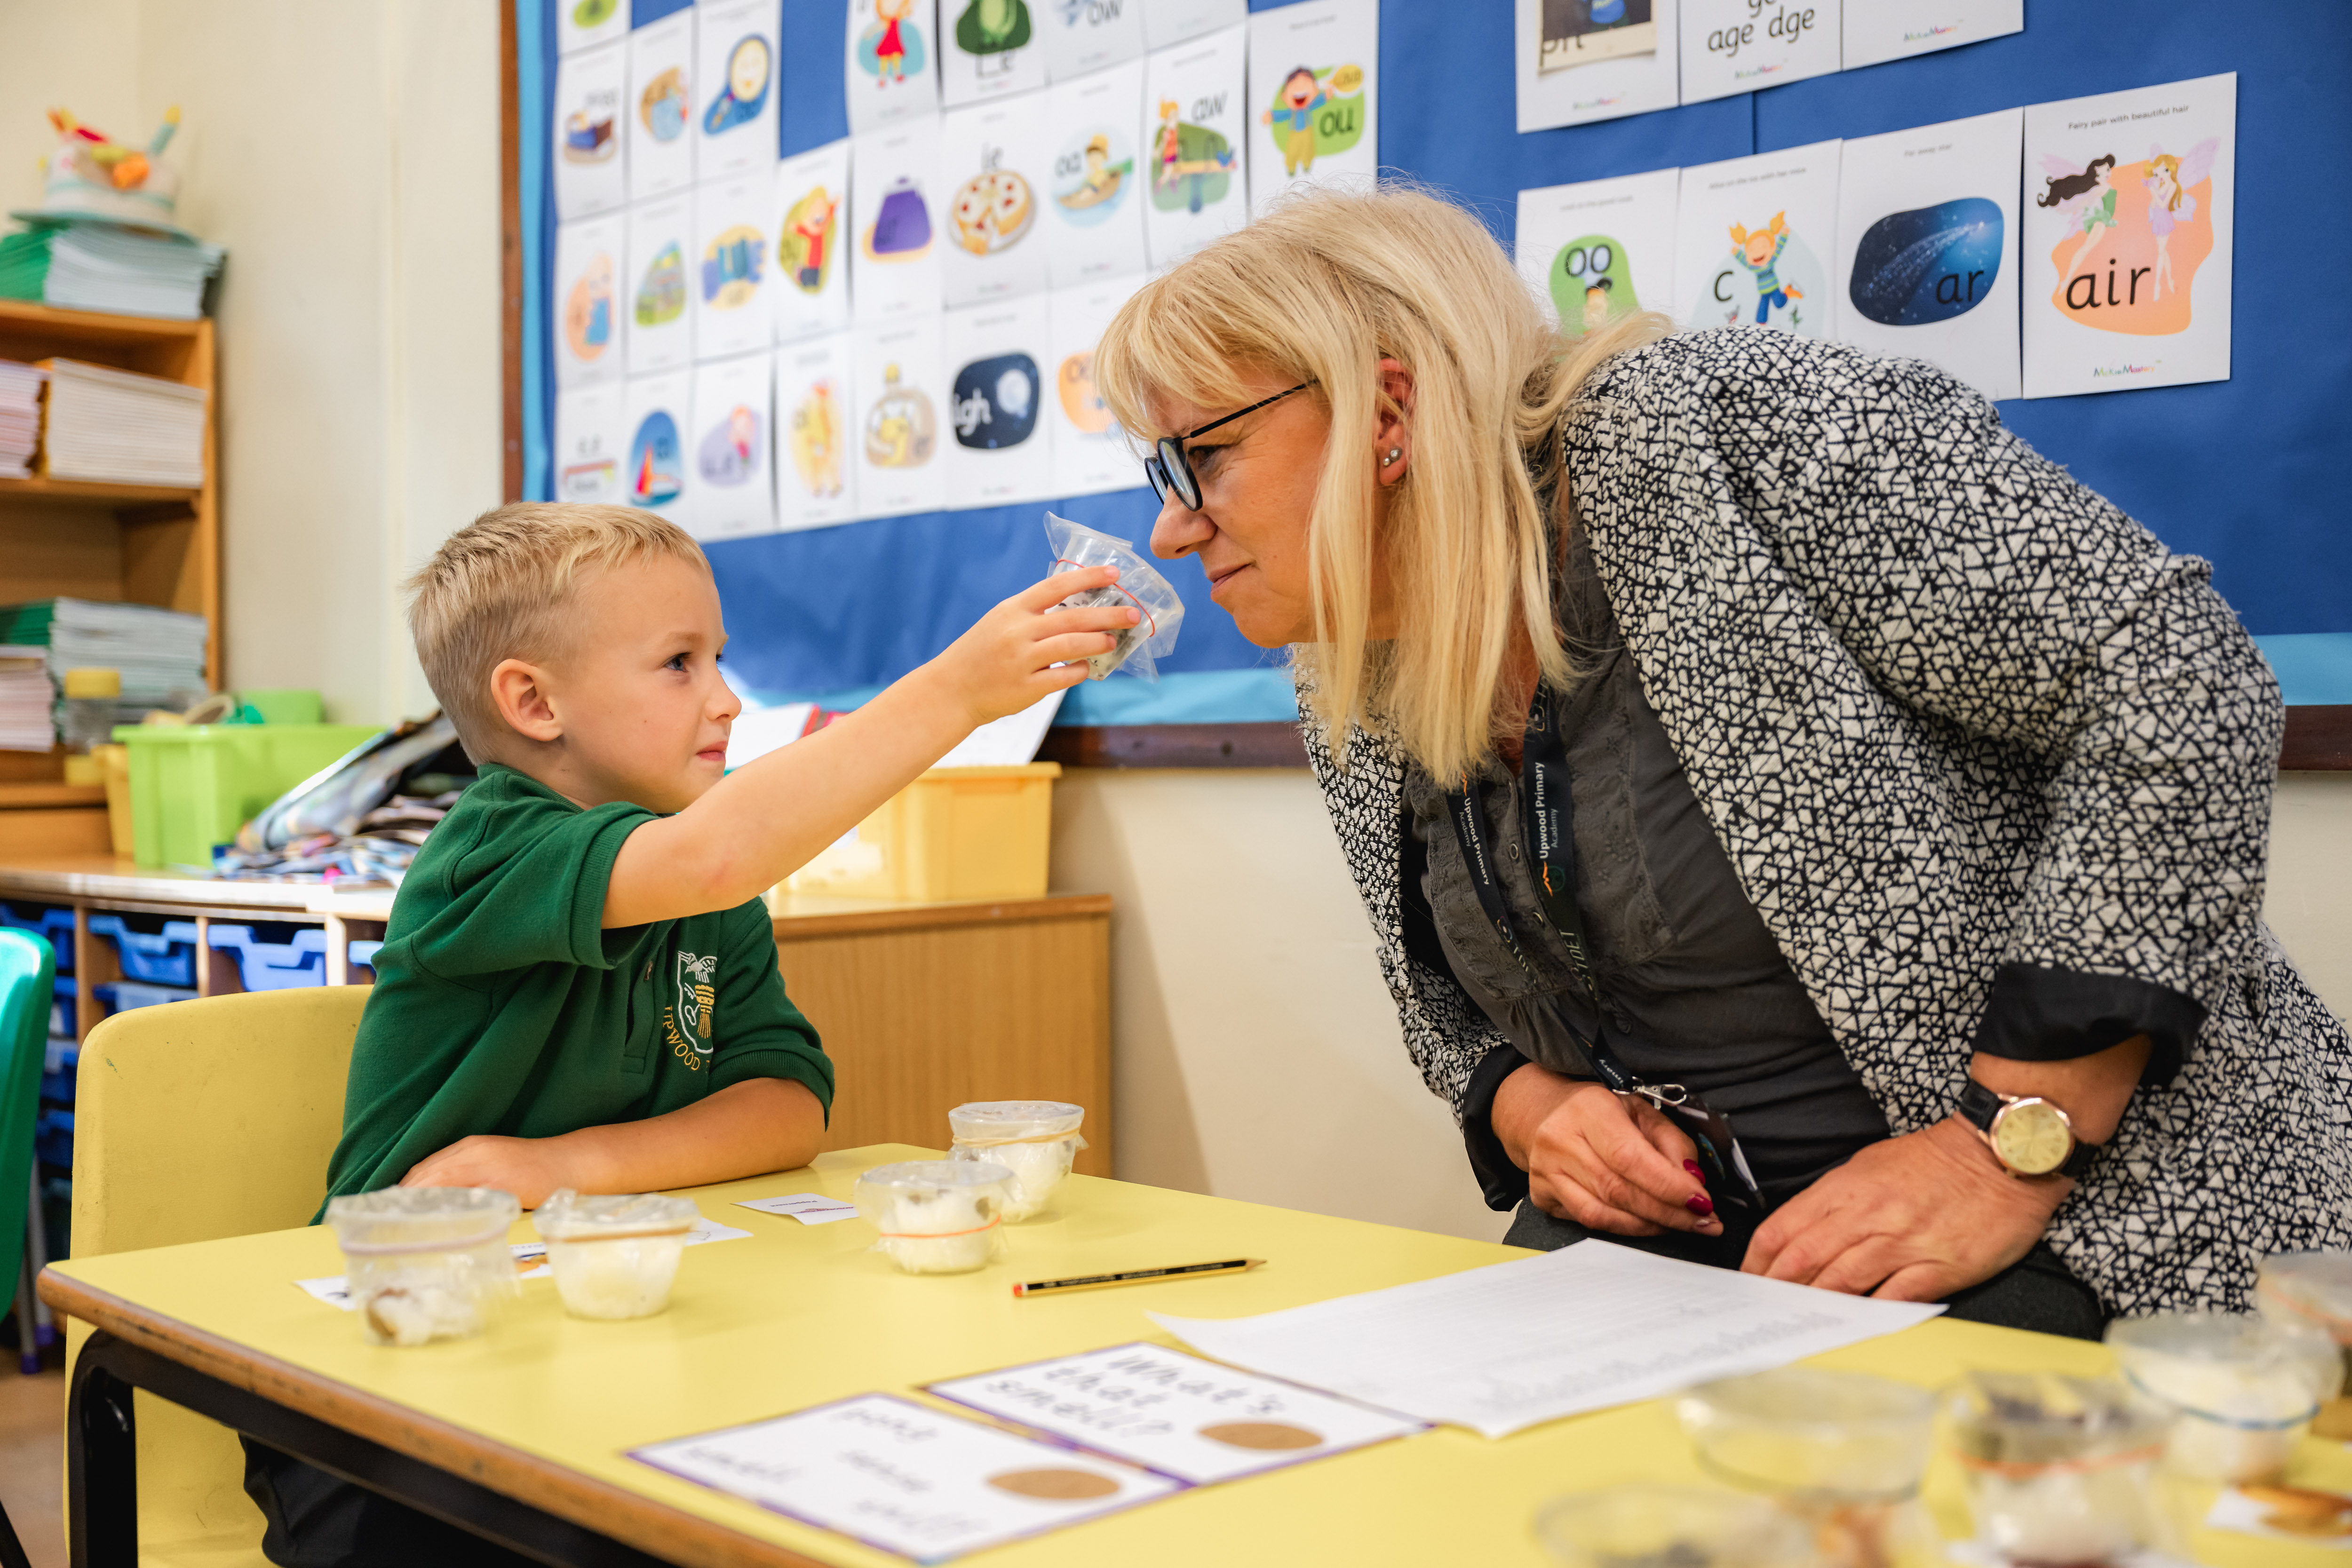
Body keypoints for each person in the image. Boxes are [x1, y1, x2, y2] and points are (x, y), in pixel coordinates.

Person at [1091, 183, 2352, 1336]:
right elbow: (1442, 1003)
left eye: (1201, 455)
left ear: (1390, 407)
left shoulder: (1714, 429)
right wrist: (1525, 1102)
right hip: (1681, 1258)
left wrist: (2001, 1145)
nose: (1170, 522)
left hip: (2060, 1213)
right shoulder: (1356, 643)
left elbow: (2174, 668)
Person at [242, 502, 1138, 1567]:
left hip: (592, 1365)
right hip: (385, 1394)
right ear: (533, 701)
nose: (725, 699)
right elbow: (716, 856)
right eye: (678, 663)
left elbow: (786, 1104)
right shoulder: (485, 851)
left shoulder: (705, 887)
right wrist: (956, 690)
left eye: (720, 658)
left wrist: (554, 1168)